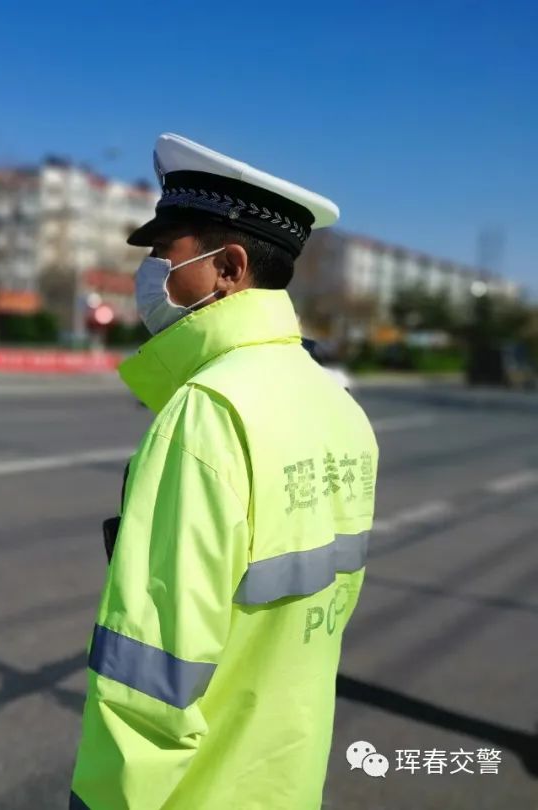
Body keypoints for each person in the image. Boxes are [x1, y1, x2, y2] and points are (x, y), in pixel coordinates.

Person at [70, 134, 379, 809]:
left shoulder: (209, 411)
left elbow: (149, 686)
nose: (149, 272)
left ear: (229, 267)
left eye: (166, 251)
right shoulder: (338, 404)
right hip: (285, 781)